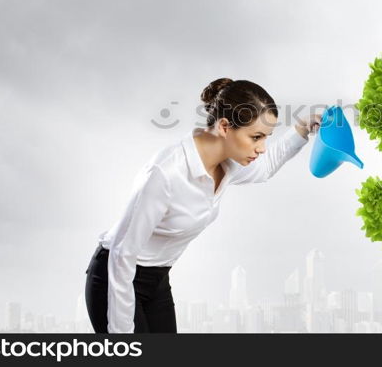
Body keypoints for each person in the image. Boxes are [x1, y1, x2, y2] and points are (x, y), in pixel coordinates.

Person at [84, 78, 322, 333]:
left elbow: (265, 168)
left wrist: (302, 129)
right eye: (256, 137)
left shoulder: (227, 166)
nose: (262, 148)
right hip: (115, 276)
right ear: (224, 126)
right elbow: (123, 254)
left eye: (266, 138)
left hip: (157, 280)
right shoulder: (165, 174)